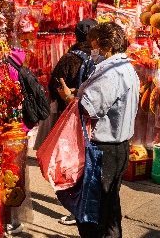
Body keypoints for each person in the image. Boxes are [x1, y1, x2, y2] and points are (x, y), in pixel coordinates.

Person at [57, 22, 140, 238]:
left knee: (93, 212)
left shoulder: (111, 72)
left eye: (94, 46)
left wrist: (68, 97)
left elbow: (88, 107)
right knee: (109, 209)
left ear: (106, 47)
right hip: (117, 148)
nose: (92, 51)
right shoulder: (126, 68)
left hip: (104, 151)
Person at [44, 18, 98, 226]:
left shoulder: (69, 58)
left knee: (72, 164)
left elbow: (54, 86)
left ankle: (78, 210)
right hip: (95, 120)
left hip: (72, 119)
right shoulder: (102, 60)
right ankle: (89, 207)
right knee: (90, 164)